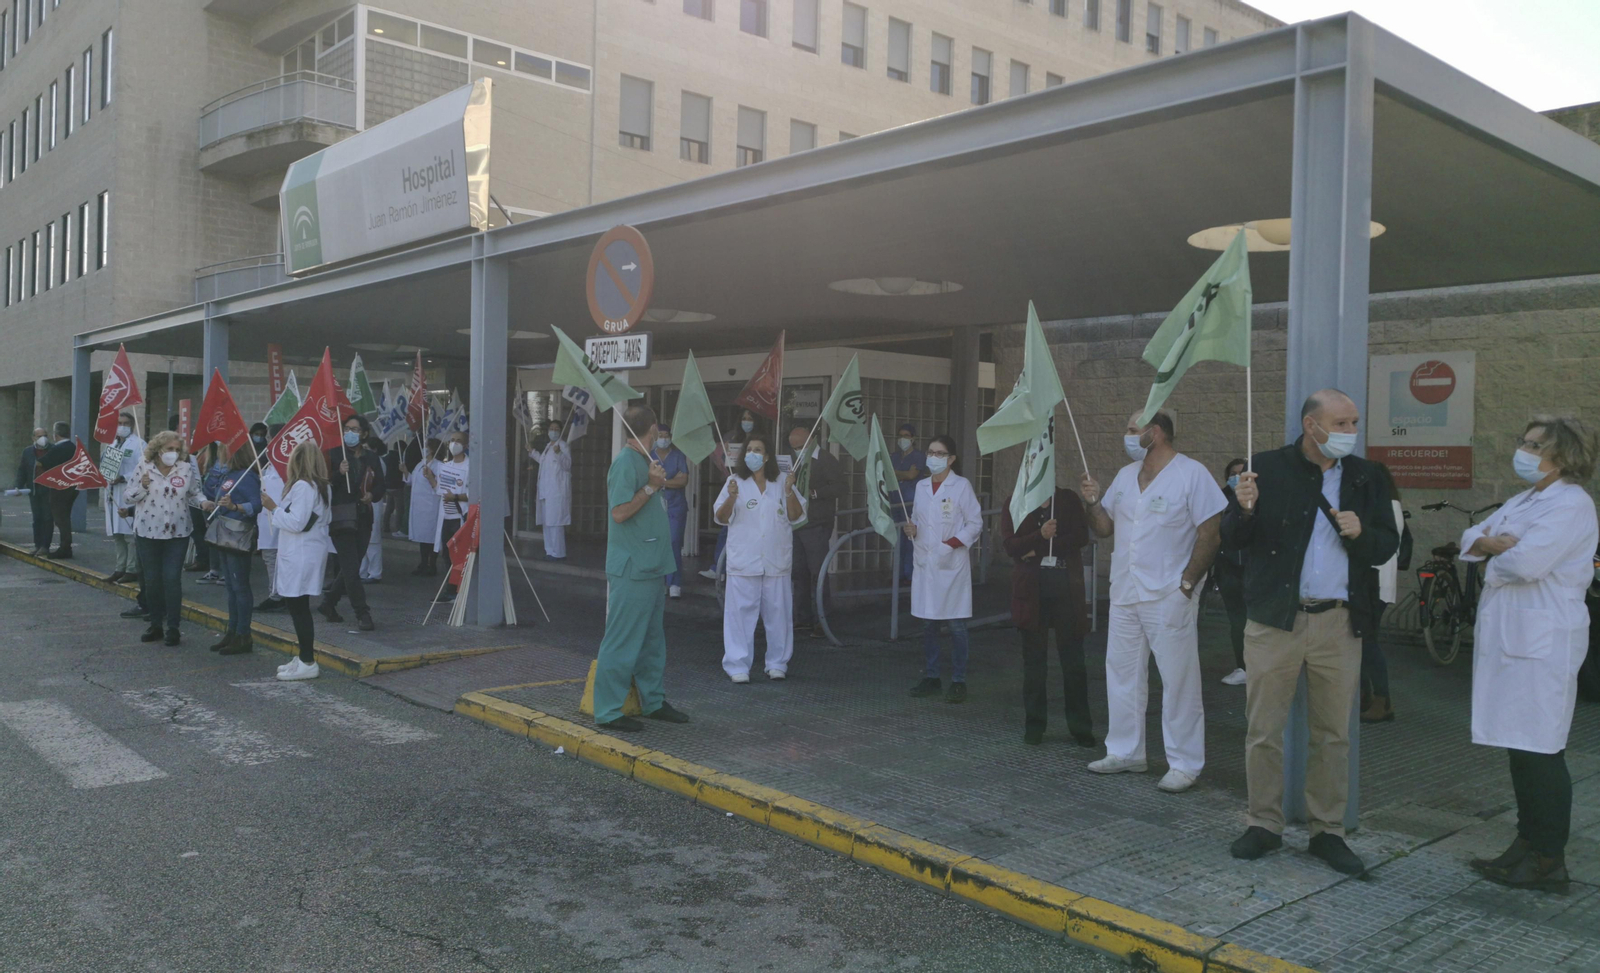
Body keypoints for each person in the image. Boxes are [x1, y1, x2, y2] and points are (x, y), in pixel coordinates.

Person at [1225, 389, 1398, 876]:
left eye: (1354, 423)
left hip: (1339, 622)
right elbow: (1232, 540)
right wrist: (1243, 509)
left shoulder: (1367, 476)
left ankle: (1328, 831)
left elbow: (1388, 545)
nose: (1350, 432)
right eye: (1341, 423)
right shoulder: (1265, 468)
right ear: (1311, 425)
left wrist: (1362, 533)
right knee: (1264, 730)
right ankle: (1263, 824)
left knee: (1333, 734)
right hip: (1275, 619)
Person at [1463, 417, 1598, 892]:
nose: (1523, 449)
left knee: (1541, 750)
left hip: (1544, 641)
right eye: (1525, 440)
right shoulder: (1525, 500)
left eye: (1534, 445)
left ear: (1562, 455)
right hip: (1512, 637)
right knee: (1519, 747)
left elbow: (1527, 562)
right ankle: (1526, 842)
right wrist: (1487, 543)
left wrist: (1493, 555)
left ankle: (1548, 860)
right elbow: (1471, 536)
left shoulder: (1572, 504)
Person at [1082, 409, 1224, 793]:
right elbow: (1105, 527)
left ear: (1156, 433)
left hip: (1168, 593)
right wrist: (1092, 502)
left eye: (1133, 430)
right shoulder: (1126, 475)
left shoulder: (1192, 474)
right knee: (1122, 674)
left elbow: (1210, 535)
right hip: (1125, 591)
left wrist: (1187, 584)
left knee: (1179, 681)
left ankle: (1185, 763)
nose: (1126, 436)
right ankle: (1125, 751)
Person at [594, 405, 691, 732]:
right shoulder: (625, 462)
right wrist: (650, 486)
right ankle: (608, 711)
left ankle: (653, 701)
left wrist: (654, 482)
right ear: (652, 429)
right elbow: (619, 513)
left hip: (651, 565)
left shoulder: (646, 460)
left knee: (651, 642)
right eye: (657, 431)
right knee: (622, 640)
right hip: (632, 568)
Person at [1002, 481, 1096, 748]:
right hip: (1032, 593)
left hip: (1066, 590)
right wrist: (1039, 536)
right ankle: (1034, 726)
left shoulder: (1068, 500)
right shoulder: (1016, 501)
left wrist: (1037, 549)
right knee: (1034, 664)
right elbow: (1010, 546)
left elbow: (1080, 537)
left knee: (1073, 663)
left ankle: (1080, 727)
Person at [715, 434, 807, 682]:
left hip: (776, 561)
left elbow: (796, 516)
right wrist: (731, 497)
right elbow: (721, 518)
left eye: (758, 450)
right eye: (749, 450)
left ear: (767, 457)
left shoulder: (782, 481)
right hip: (744, 560)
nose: (752, 454)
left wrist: (789, 492)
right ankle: (737, 666)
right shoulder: (734, 482)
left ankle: (777, 663)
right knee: (739, 617)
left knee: (779, 615)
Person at [903, 435, 982, 703]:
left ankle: (959, 680)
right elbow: (918, 520)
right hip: (926, 564)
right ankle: (932, 677)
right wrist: (912, 530)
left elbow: (975, 524)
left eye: (939, 453)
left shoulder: (961, 486)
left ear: (951, 459)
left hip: (951, 565)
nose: (933, 457)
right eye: (930, 452)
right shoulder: (922, 486)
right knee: (929, 623)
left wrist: (951, 544)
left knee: (956, 625)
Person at [122, 431, 203, 646]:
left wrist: (204, 502)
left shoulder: (185, 468)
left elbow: (194, 493)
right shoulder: (144, 466)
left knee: (172, 579)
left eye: (177, 449)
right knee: (152, 580)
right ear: (158, 450)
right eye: (169, 449)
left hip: (178, 532)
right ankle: (155, 624)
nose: (173, 453)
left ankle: (173, 628)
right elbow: (128, 496)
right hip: (148, 532)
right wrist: (143, 486)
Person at [262, 439, 333, 681]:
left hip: (300, 554)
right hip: (307, 552)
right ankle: (304, 657)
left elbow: (297, 523)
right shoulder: (322, 487)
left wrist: (273, 508)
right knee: (298, 606)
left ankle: (307, 661)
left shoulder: (303, 486)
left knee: (298, 608)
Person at [319, 415, 384, 630]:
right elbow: (324, 483)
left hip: (363, 516)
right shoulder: (334, 454)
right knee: (350, 567)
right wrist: (339, 473)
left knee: (352, 566)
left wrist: (372, 495)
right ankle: (362, 612)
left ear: (364, 433)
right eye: (347, 429)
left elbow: (380, 486)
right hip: (341, 517)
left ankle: (329, 602)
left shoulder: (371, 457)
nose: (350, 433)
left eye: (355, 430)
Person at [201, 443, 261, 655]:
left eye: (223, 450)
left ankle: (243, 634)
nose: (220, 454)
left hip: (237, 535)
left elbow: (257, 504)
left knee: (239, 586)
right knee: (231, 587)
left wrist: (235, 507)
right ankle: (233, 631)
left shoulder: (247, 476)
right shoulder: (230, 475)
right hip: (225, 533)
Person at [788, 423, 845, 637]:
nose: (797, 451)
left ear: (810, 441)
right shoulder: (794, 461)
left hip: (817, 523)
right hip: (796, 522)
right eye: (793, 447)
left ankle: (822, 619)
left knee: (817, 572)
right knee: (798, 572)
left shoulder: (826, 459)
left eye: (800, 446)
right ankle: (802, 618)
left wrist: (814, 493)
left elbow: (841, 487)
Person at [1362, 463, 1404, 723]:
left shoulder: (1387, 505)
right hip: (1371, 580)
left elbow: (1381, 543)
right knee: (1361, 640)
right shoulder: (1382, 503)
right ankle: (1365, 695)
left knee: (1367, 640)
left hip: (1376, 581)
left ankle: (1382, 699)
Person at [700, 411, 757, 582]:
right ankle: (719, 568)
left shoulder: (761, 439)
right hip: (736, 487)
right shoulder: (734, 438)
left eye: (750, 419)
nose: (746, 422)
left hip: (755, 488)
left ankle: (721, 568)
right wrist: (726, 453)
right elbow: (728, 463)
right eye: (744, 418)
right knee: (726, 529)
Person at [1215, 458, 1250, 687]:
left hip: (1254, 569)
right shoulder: (1219, 499)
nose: (1237, 477)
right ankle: (1242, 666)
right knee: (1237, 620)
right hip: (1228, 568)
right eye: (1233, 473)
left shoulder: (1259, 496)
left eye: (1241, 472)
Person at [103, 411, 145, 584]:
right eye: (119, 423)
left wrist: (123, 477)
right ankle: (119, 568)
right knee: (117, 534)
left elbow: (143, 469)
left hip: (128, 490)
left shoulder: (139, 444)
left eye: (126, 424)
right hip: (112, 493)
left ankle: (131, 569)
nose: (122, 427)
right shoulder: (112, 444)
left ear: (132, 426)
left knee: (129, 534)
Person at [653, 423, 691, 598]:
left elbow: (683, 481)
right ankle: (659, 581)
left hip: (676, 506)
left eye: (666, 435)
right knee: (657, 544)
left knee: (674, 542)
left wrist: (661, 482)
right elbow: (645, 479)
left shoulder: (678, 456)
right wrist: (671, 480)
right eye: (660, 435)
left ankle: (674, 582)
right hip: (655, 507)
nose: (663, 439)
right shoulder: (649, 455)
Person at [433, 431, 470, 603]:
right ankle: (451, 590)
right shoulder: (446, 466)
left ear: (466, 445)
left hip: (459, 517)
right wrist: (430, 478)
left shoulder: (470, 466)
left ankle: (458, 591)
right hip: (446, 518)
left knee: (459, 556)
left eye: (459, 441)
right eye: (452, 440)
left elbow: (473, 494)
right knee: (447, 556)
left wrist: (454, 497)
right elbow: (439, 490)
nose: (455, 444)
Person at [254, 424, 287, 613]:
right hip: (268, 517)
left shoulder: (285, 464)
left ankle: (278, 596)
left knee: (275, 557)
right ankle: (277, 593)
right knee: (271, 556)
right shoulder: (270, 464)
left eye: (269, 438)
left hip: (277, 515)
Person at [531, 417, 572, 561]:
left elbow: (567, 465)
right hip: (545, 491)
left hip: (556, 492)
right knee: (547, 523)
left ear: (560, 431)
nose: (553, 431)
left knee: (555, 523)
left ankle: (558, 553)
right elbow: (543, 462)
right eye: (551, 429)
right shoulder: (548, 446)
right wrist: (532, 452)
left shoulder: (563, 446)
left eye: (556, 429)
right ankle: (549, 550)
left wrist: (559, 453)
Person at [891, 423, 927, 584]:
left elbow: (912, 475)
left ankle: (910, 574)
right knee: (897, 538)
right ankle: (898, 574)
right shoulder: (894, 457)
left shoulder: (918, 456)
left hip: (910, 502)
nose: (903, 439)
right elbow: (887, 474)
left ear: (913, 438)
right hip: (895, 501)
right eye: (900, 435)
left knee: (910, 538)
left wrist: (897, 473)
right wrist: (902, 474)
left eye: (906, 435)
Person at [40, 422, 77, 559]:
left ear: (56, 435)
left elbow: (42, 463)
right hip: (72, 487)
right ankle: (66, 546)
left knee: (60, 519)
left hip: (59, 488)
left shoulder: (57, 448)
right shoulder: (73, 447)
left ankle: (65, 548)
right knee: (65, 517)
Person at [408, 437, 444, 575]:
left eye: (426, 446)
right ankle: (423, 563)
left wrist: (431, 477)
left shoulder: (438, 465)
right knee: (423, 537)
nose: (424, 448)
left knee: (431, 537)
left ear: (433, 449)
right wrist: (405, 471)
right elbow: (412, 480)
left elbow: (440, 486)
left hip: (431, 506)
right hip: (419, 506)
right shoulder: (421, 463)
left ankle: (431, 564)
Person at [16, 427, 54, 555]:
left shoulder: (53, 450)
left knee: (48, 517)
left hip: (48, 489)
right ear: (33, 438)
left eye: (45, 435)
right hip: (34, 489)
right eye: (39, 436)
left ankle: (45, 546)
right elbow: (22, 470)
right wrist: (18, 486)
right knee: (37, 518)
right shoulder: (28, 451)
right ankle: (37, 545)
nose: (43, 438)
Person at [360, 433, 389, 582]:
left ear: (375, 449)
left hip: (374, 502)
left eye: (367, 448)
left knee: (373, 541)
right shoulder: (366, 461)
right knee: (364, 540)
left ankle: (375, 573)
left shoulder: (378, 463)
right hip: (365, 504)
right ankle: (363, 572)